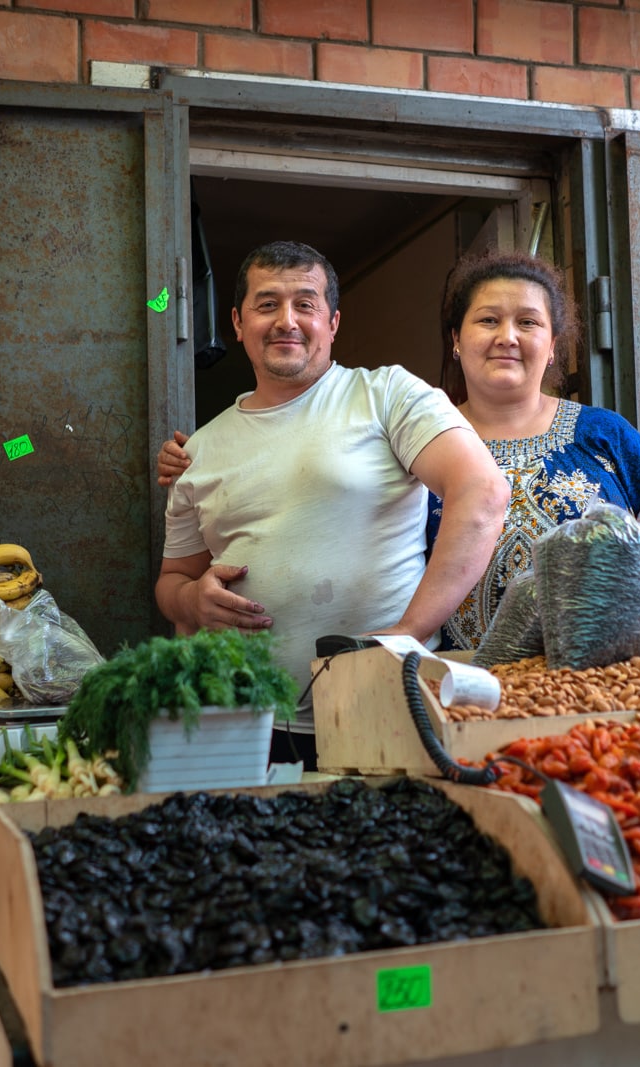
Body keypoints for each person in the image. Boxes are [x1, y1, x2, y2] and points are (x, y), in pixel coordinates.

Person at [155, 240, 507, 765]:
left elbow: (482, 492)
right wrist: (192, 602)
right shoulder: (198, 450)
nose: (286, 321)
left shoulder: (387, 395)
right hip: (243, 726)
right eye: (267, 304)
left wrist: (405, 635)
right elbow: (172, 581)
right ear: (237, 321)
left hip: (387, 708)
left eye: (306, 304)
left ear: (333, 322)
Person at [430, 250, 640, 649]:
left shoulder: (606, 435)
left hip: (610, 683)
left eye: (527, 322)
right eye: (488, 320)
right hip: (460, 687)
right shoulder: (421, 443)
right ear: (456, 338)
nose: (507, 336)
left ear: (552, 346)